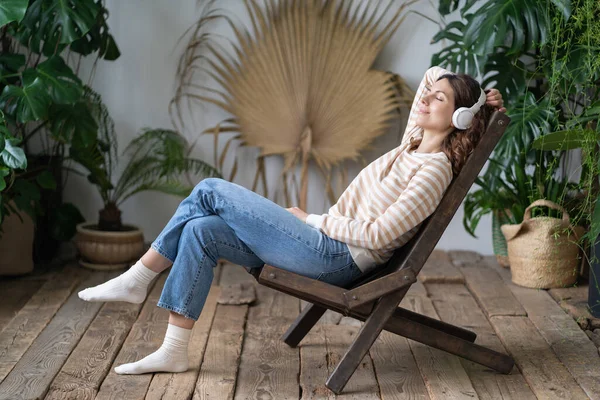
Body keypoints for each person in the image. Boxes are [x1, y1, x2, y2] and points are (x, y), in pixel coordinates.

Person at [78, 66, 505, 374]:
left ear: (457, 118)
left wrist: (313, 220)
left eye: (440, 100)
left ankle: (138, 277)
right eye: (428, 95)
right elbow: (431, 77)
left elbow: (381, 235)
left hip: (337, 257)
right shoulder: (411, 145)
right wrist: (474, 99)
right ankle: (174, 350)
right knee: (201, 230)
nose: (427, 98)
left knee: (209, 188)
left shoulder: (433, 170)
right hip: (325, 246)